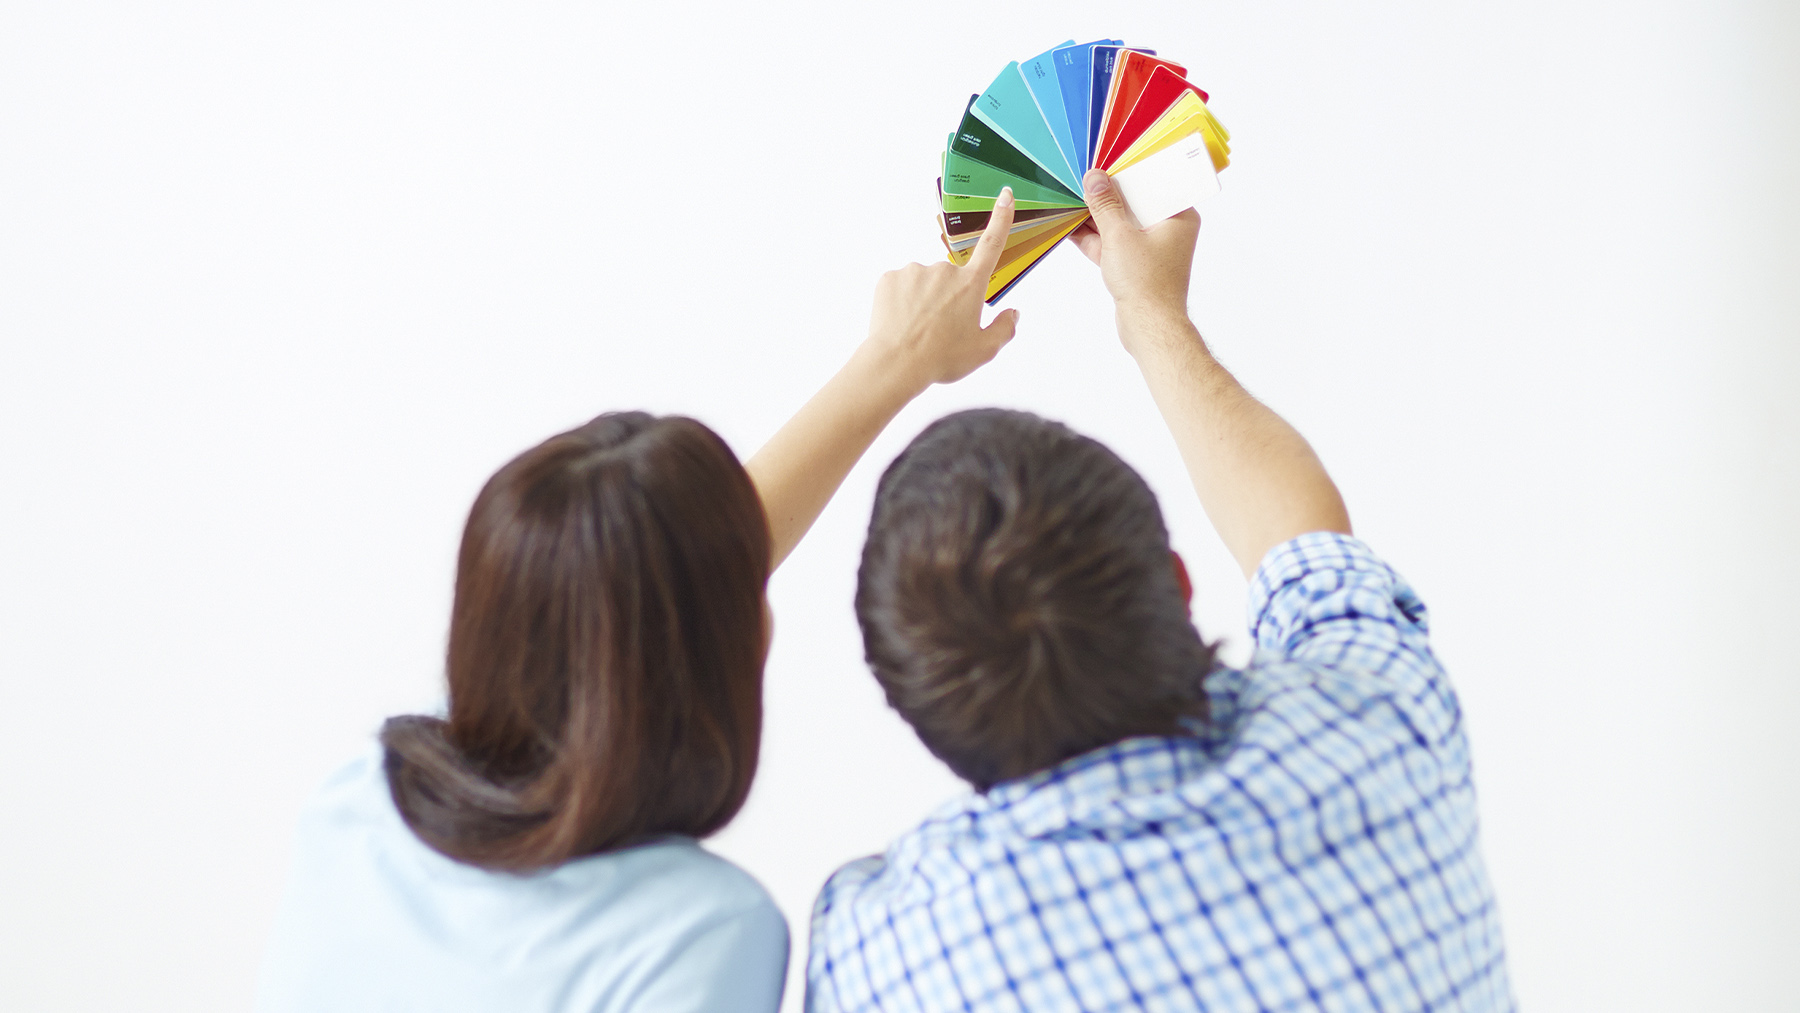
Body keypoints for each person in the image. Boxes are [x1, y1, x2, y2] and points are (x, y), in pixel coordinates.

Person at [253, 192, 1031, 1013]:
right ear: (752, 635)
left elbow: (629, 597)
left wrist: (894, 360)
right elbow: (658, 597)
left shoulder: (366, 796)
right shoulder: (702, 932)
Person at [806, 170, 1515, 1011]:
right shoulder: (1375, 711)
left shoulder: (890, 957)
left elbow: (650, 607)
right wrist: (1152, 313)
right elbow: (1299, 530)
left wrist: (888, 363)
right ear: (1178, 581)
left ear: (911, 701)